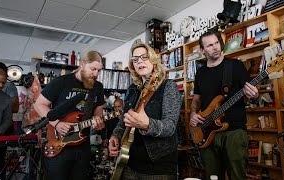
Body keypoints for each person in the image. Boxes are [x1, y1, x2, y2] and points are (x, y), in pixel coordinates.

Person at [189, 30, 259, 180]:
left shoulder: (236, 66)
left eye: (216, 43)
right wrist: (193, 114)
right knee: (213, 176)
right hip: (207, 131)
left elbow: (250, 96)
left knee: (237, 175)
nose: (215, 47)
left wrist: (254, 95)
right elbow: (196, 100)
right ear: (202, 50)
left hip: (233, 130)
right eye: (209, 45)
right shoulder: (200, 73)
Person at [108, 42, 181, 180]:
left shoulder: (168, 86)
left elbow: (170, 127)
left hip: (158, 169)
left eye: (144, 57)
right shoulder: (131, 90)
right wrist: (115, 137)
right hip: (129, 164)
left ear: (153, 60)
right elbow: (123, 122)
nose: (139, 61)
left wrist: (147, 124)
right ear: (133, 65)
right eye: (135, 59)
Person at [34, 50, 105, 180]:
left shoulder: (98, 87)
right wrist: (57, 124)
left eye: (99, 70)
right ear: (82, 64)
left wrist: (98, 121)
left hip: (83, 145)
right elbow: (39, 104)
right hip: (58, 143)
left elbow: (98, 112)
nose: (96, 74)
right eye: (93, 69)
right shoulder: (61, 82)